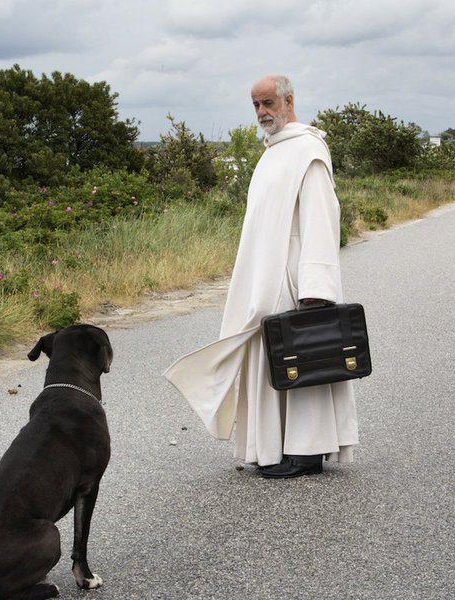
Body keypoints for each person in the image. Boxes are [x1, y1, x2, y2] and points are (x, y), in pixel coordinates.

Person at [164, 74, 358, 478]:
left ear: (288, 101)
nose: (261, 112)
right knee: (269, 359)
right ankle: (274, 447)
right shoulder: (271, 153)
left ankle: (306, 452)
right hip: (263, 278)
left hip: (292, 277)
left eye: (268, 102)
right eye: (255, 104)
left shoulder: (308, 151)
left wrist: (315, 290)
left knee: (301, 355)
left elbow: (321, 221)